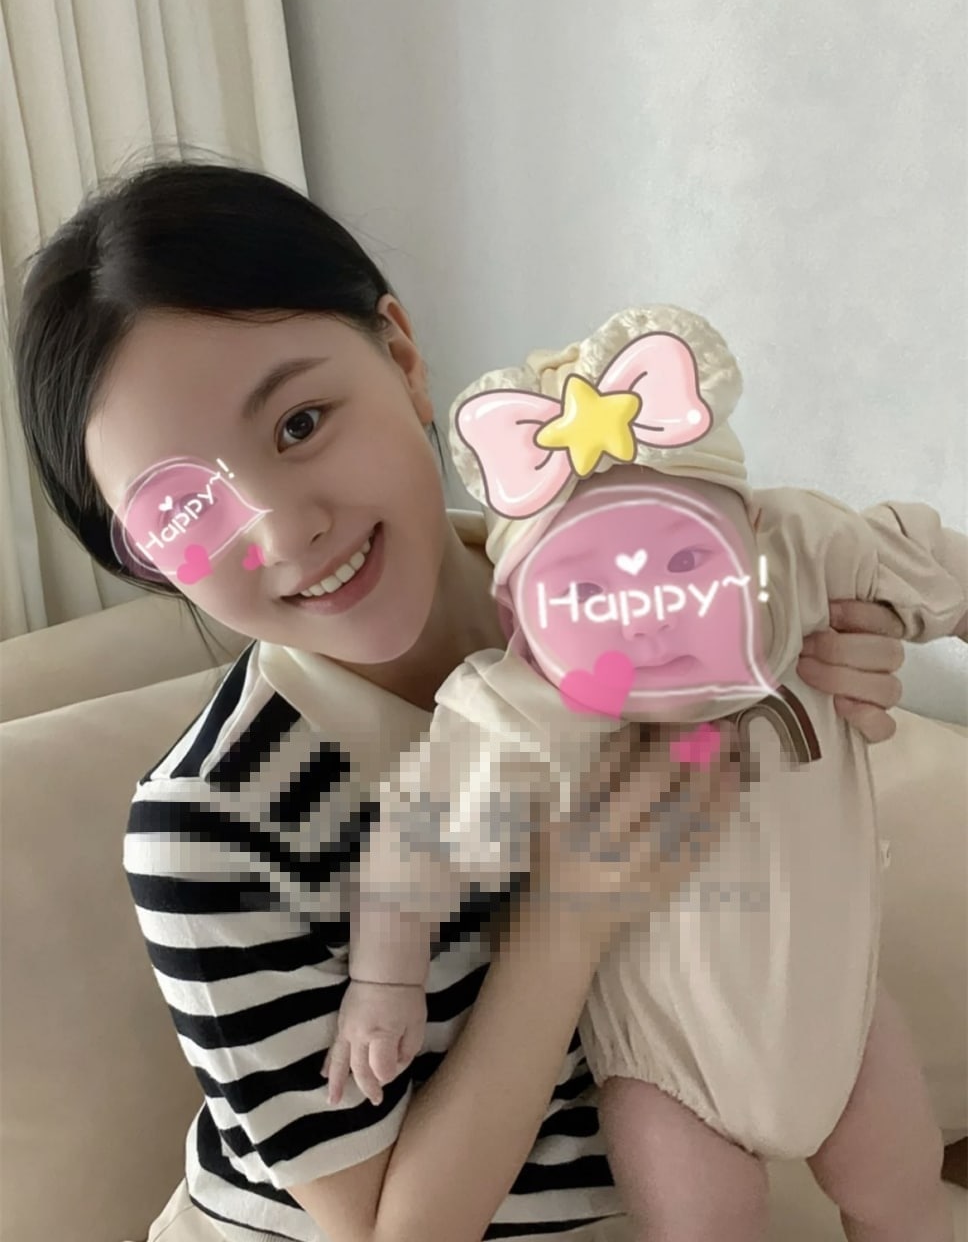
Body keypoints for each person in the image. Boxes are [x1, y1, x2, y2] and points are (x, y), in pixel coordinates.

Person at [11, 162, 916, 1242]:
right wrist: (564, 919)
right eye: (183, 512)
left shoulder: (648, 586)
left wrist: (822, 663)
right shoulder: (208, 826)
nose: (286, 527)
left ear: (400, 357)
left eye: (300, 423)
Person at [335, 306, 964, 1242]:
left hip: (841, 1012)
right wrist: (385, 981)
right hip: (668, 1068)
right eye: (588, 593)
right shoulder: (523, 712)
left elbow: (920, 560)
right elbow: (418, 832)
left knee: (905, 1193)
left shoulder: (798, 559)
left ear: (753, 531)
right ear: (521, 618)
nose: (649, 618)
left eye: (686, 562)